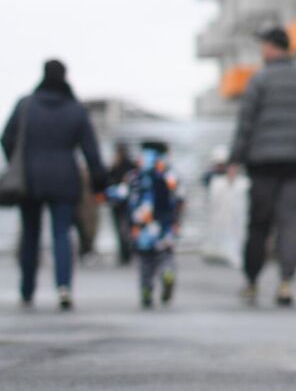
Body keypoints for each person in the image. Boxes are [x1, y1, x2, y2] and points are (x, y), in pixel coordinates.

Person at [229, 25, 296, 308]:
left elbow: (245, 124)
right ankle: (286, 282)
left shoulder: (259, 80)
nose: (262, 51)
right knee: (291, 221)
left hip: (262, 162)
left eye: (263, 46)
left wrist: (236, 159)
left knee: (259, 223)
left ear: (273, 47)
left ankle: (251, 282)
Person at [3, 60, 108, 310]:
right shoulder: (75, 109)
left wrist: (18, 163)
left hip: (30, 179)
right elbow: (90, 148)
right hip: (64, 178)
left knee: (30, 234)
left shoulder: (26, 104)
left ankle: (27, 289)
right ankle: (64, 287)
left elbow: (6, 137)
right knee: (62, 233)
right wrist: (99, 179)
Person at [109, 140, 183, 308]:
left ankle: (146, 290)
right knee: (166, 256)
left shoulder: (134, 176)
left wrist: (102, 194)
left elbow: (120, 194)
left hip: (142, 228)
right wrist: (177, 221)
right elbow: (180, 198)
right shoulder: (170, 175)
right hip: (165, 227)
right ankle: (167, 273)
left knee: (145, 263)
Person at [105, 143, 137, 266]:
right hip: (117, 204)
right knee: (120, 229)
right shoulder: (115, 167)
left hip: (127, 204)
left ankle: (128, 252)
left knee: (125, 229)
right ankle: (124, 253)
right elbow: (108, 180)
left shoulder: (129, 166)